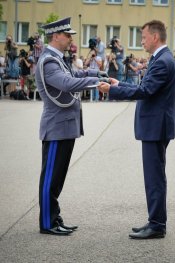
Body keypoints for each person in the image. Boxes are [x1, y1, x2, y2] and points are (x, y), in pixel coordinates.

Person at [99, 20, 175, 239]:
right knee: (154, 177)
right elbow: (144, 88)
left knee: (154, 178)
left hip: (156, 127)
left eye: (143, 37)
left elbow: (145, 91)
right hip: (155, 126)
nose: (141, 41)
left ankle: (157, 225)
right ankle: (155, 221)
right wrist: (119, 85)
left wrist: (112, 91)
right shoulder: (160, 58)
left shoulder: (162, 61)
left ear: (155, 37)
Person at [35, 17, 101, 236]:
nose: (71, 38)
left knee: (57, 177)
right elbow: (66, 83)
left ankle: (54, 216)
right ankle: (47, 222)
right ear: (56, 36)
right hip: (56, 127)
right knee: (51, 178)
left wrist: (96, 74)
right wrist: (95, 83)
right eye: (67, 35)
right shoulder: (49, 61)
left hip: (64, 126)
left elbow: (74, 75)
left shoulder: (58, 59)